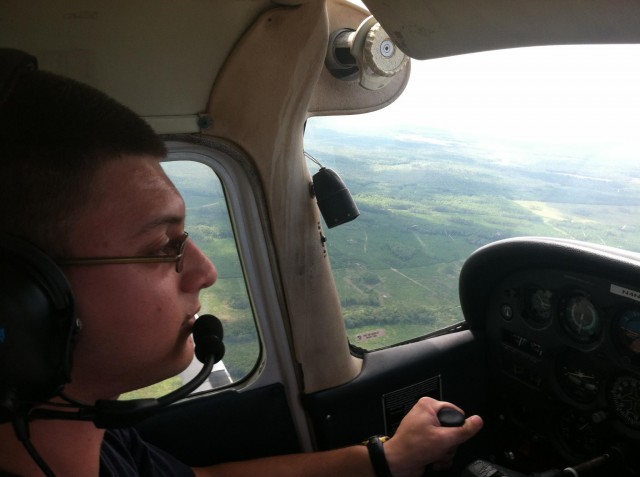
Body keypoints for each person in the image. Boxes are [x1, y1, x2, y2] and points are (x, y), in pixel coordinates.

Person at [0, 67, 483, 476]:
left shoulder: (86, 431)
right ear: (22, 300)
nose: (205, 272)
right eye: (164, 246)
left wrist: (385, 458)